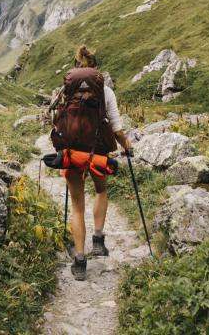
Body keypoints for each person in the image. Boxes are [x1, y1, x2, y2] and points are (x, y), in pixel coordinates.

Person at [59, 45, 132, 281]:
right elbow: (117, 128)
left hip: (72, 154)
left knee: (77, 207)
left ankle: (80, 262)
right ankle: (98, 241)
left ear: (77, 67)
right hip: (98, 152)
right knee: (101, 190)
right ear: (96, 68)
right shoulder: (105, 92)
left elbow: (57, 120)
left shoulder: (67, 89)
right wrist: (127, 146)